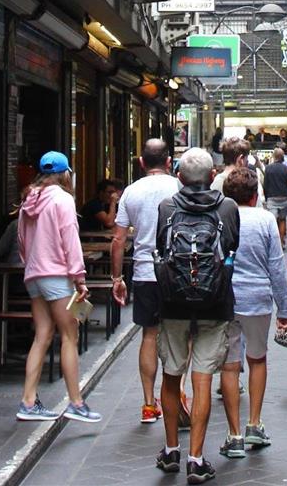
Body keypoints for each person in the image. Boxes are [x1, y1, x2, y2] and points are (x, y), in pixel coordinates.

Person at [153, 148, 240, 484]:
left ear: (179, 177)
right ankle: (196, 458)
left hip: (173, 303)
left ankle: (171, 450)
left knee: (171, 375)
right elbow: (232, 246)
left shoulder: (167, 207)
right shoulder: (228, 207)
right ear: (212, 175)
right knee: (202, 379)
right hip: (215, 303)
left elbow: (162, 247)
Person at [15, 151, 101, 423]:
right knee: (69, 336)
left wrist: (31, 265)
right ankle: (76, 402)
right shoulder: (63, 200)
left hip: (34, 275)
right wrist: (79, 277)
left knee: (42, 335)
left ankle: (28, 402)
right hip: (56, 275)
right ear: (65, 174)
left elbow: (21, 241)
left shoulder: (28, 200)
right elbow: (70, 240)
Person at [218, 168, 287, 458]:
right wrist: (284, 308)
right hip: (258, 298)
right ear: (254, 195)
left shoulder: (219, 217)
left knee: (229, 366)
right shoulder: (265, 219)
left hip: (225, 299)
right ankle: (254, 424)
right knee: (257, 359)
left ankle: (234, 434)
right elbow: (276, 266)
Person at [111, 140, 181, 424]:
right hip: (176, 273)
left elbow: (118, 239)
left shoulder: (131, 191)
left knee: (149, 335)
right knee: (178, 336)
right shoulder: (179, 188)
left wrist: (117, 277)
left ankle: (149, 404)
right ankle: (176, 397)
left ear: (141, 162)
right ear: (168, 162)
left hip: (144, 272)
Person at [210, 136, 265, 207]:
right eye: (246, 158)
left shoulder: (215, 183)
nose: (247, 161)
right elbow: (258, 207)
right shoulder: (248, 182)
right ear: (240, 159)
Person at [263, 148, 287, 243]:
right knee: (282, 219)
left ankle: (274, 242)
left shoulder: (268, 168)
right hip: (284, 198)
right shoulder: (286, 169)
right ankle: (281, 242)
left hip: (272, 197)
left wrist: (267, 197)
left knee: (273, 220)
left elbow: (265, 185)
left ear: (274, 156)